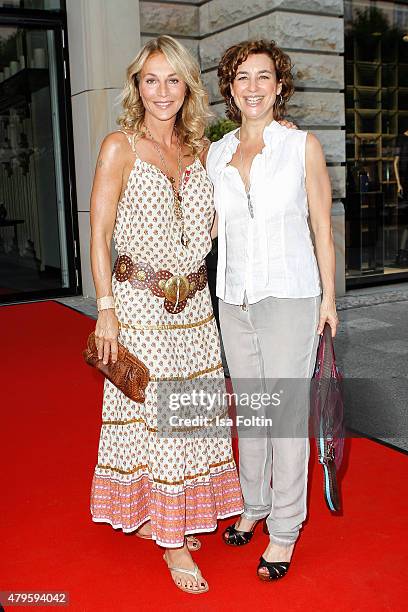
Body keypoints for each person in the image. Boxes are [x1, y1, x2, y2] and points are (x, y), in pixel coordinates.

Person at [88, 35, 244, 595]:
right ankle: (172, 544)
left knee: (190, 416)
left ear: (187, 87)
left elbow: (216, 224)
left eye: (172, 80)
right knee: (158, 417)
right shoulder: (119, 147)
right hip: (140, 308)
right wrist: (105, 310)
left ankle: (166, 513)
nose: (161, 91)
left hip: (196, 310)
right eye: (150, 80)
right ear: (137, 85)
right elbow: (99, 234)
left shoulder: (201, 150)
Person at [206, 39, 339, 581]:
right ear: (230, 89)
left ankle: (284, 528)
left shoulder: (301, 146)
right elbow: (210, 227)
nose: (253, 87)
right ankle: (253, 503)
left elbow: (322, 226)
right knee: (255, 414)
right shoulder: (216, 153)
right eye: (242, 78)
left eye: (263, 77)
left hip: (290, 295)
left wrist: (329, 298)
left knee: (284, 420)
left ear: (279, 85)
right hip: (233, 298)